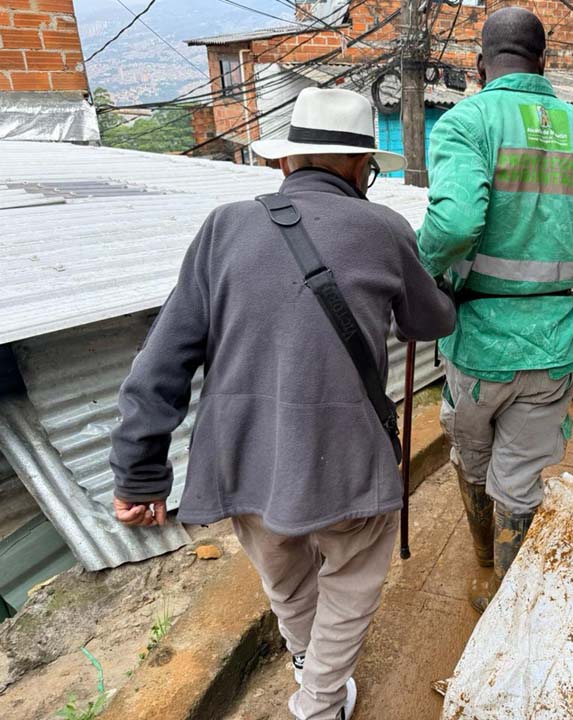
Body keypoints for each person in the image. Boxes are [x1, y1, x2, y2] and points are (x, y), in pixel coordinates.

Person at [109, 88, 456, 720]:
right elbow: (430, 322)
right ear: (361, 168)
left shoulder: (223, 226)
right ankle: (319, 702)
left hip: (241, 458)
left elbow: (162, 358)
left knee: (287, 577)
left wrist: (140, 471)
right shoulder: (384, 228)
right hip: (347, 458)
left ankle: (307, 664)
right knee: (350, 581)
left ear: (283, 162)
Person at [417, 7, 573, 611]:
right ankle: (509, 609)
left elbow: (456, 222)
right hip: (552, 348)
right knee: (519, 481)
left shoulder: (466, 122)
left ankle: (483, 566)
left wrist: (425, 267)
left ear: (480, 64)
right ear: (545, 62)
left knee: (471, 457)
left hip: (478, 348)